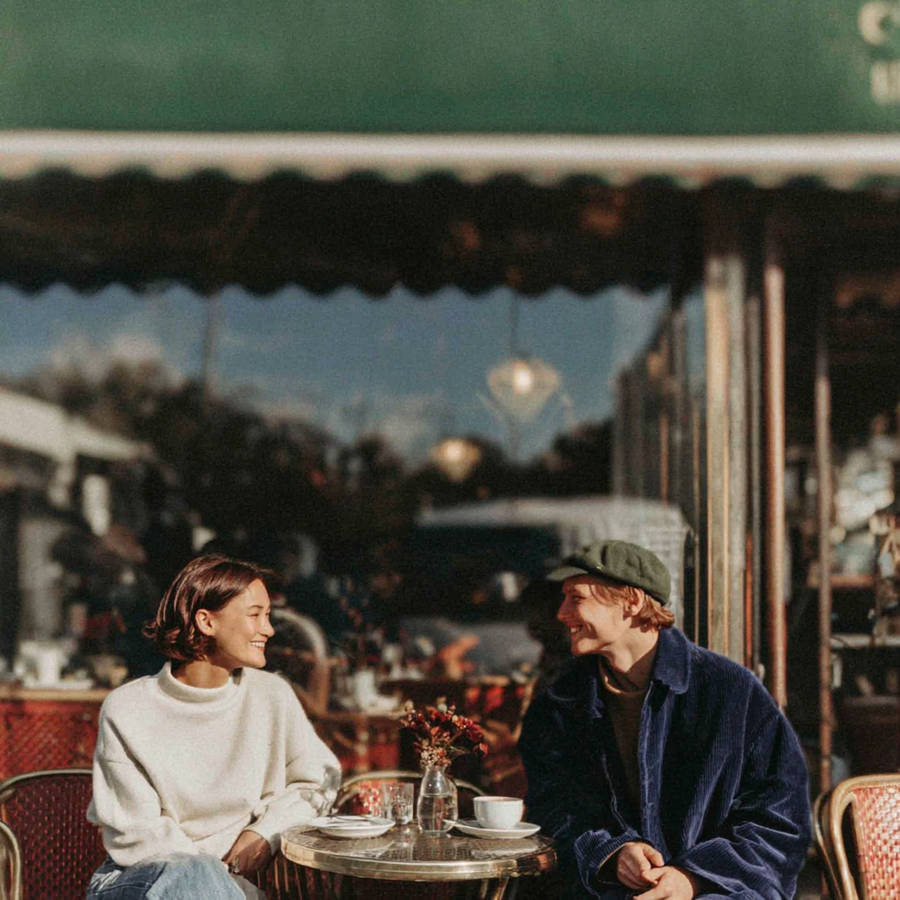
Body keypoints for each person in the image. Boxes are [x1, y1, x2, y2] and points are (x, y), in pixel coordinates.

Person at [517, 540, 810, 900]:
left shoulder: (730, 691)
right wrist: (611, 854)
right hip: (609, 889)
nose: (562, 613)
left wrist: (692, 879)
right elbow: (554, 808)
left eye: (576, 598)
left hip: (719, 891)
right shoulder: (561, 701)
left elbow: (779, 821)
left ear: (633, 602)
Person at [86, 553, 341, 900]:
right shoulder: (129, 708)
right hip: (135, 881)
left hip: (223, 888)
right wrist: (221, 878)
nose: (268, 629)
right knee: (193, 871)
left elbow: (320, 779)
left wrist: (265, 833)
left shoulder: (272, 696)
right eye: (255, 615)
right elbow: (140, 835)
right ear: (206, 621)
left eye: (267, 616)